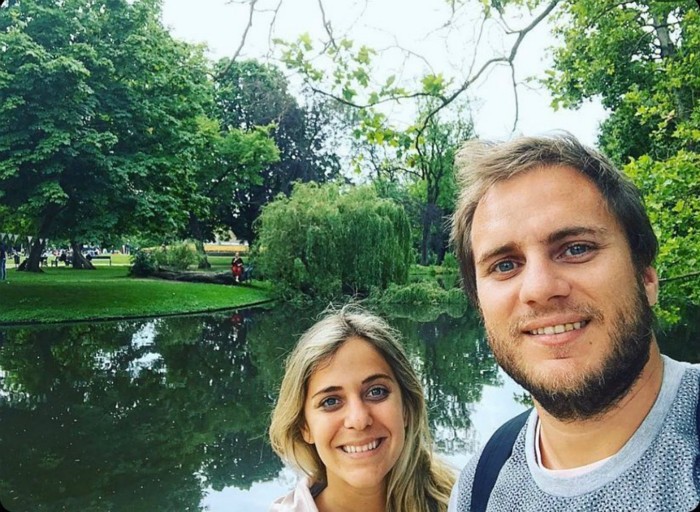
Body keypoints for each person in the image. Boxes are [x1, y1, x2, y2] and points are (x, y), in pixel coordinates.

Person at [448, 132, 700, 511]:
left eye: (576, 248)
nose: (539, 288)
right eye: (505, 265)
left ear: (646, 277)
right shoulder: (479, 485)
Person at [269, 305, 455, 512]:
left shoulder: (465, 501)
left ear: (406, 407)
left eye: (376, 392)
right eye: (330, 401)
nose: (358, 420)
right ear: (305, 427)